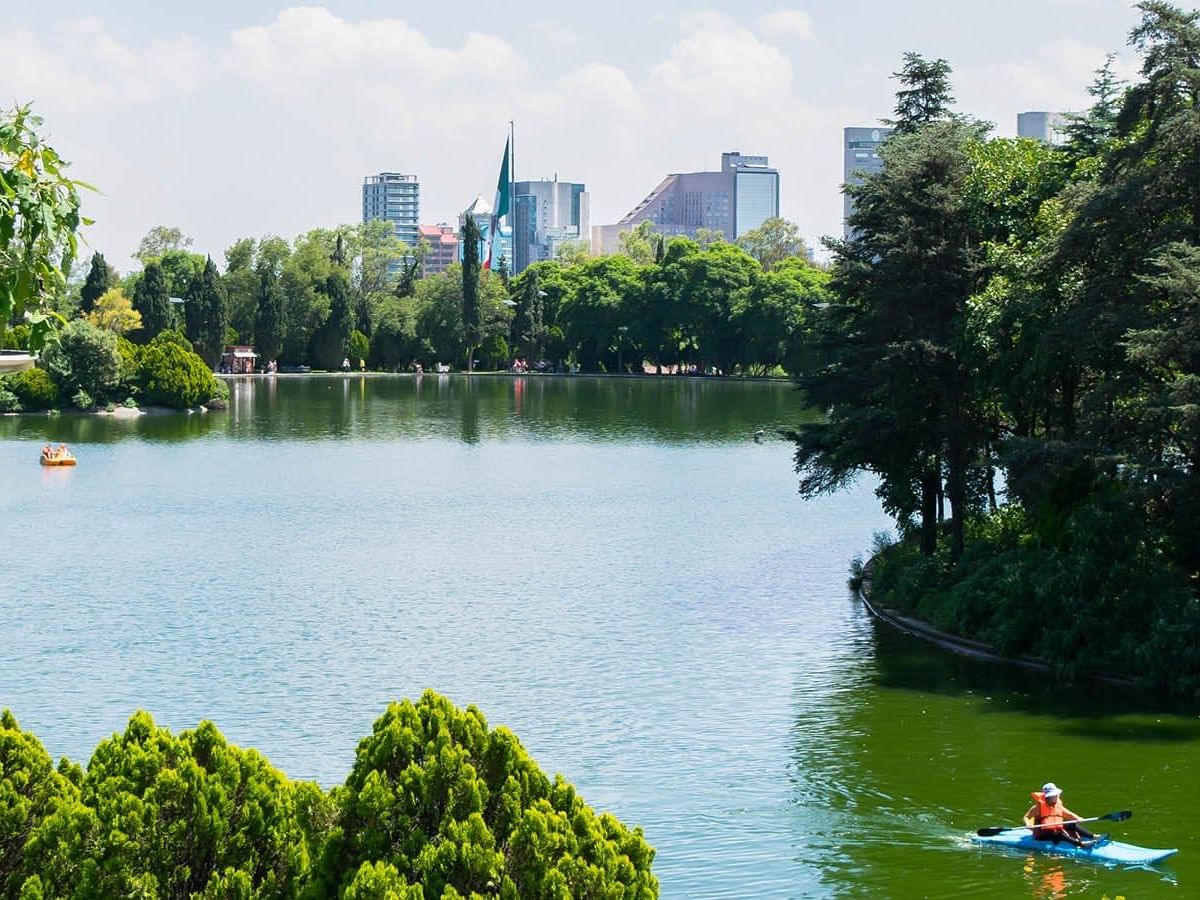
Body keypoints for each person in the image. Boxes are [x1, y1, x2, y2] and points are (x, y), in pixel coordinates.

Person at [1024, 783, 1097, 847]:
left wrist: (1078, 817)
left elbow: (1069, 814)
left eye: (1055, 795)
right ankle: (1080, 844)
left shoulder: (1057, 804)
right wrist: (1028, 824)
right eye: (1052, 796)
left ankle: (1093, 836)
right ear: (1047, 797)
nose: (1055, 797)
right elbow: (1026, 817)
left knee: (1072, 824)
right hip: (1041, 833)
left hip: (1055, 828)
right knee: (1058, 834)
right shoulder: (1038, 807)